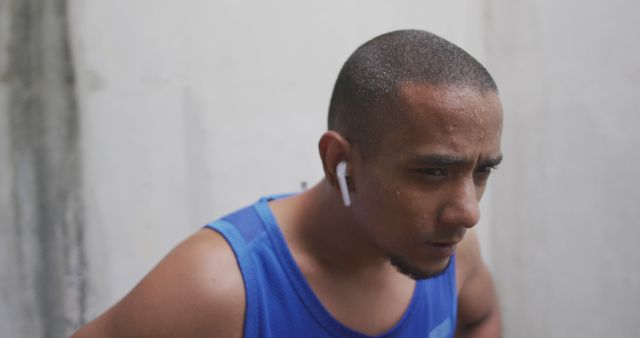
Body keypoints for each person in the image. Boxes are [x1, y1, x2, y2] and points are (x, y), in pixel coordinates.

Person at [72, 29, 503, 338]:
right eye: (432, 171)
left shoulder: (454, 252)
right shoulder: (221, 287)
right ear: (340, 161)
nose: (468, 212)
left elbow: (481, 317)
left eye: (482, 170)